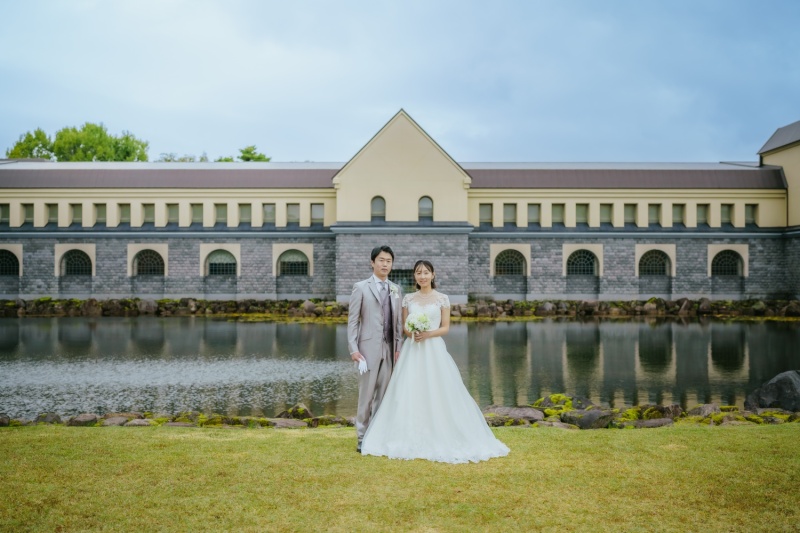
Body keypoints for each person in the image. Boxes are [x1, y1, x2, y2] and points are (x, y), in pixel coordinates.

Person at [361, 260, 510, 463]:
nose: (422, 276)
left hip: (434, 349)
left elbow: (445, 327)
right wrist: (413, 332)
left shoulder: (442, 299)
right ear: (414, 276)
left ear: (433, 275)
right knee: (409, 389)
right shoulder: (408, 299)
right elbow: (404, 327)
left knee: (439, 389)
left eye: (426, 272)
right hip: (413, 349)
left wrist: (428, 333)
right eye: (418, 273)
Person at [348, 245, 404, 453]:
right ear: (372, 262)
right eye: (381, 260)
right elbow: (353, 321)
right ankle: (362, 438)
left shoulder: (396, 289)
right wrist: (354, 349)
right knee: (366, 396)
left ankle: (377, 437)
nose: (385, 264)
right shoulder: (361, 287)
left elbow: (398, 323)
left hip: (390, 349)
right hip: (367, 350)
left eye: (388, 261)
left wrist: (398, 346)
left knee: (383, 396)